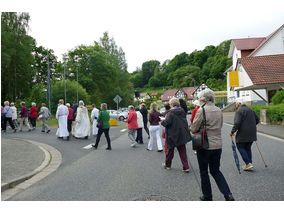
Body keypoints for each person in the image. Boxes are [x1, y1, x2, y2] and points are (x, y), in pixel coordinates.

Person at [190, 89, 234, 201]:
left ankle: (207, 196)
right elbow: (220, 125)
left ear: (203, 99)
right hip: (217, 144)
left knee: (204, 172)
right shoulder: (219, 110)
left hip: (204, 145)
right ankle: (228, 194)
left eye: (199, 99)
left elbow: (194, 128)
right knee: (215, 170)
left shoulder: (201, 110)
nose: (198, 101)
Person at [160, 98, 191, 173]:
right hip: (182, 133)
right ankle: (186, 167)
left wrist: (162, 120)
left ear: (172, 104)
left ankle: (168, 165)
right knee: (182, 151)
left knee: (170, 151)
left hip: (172, 134)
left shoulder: (170, 113)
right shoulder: (182, 111)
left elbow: (167, 123)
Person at [230, 98, 260, 171]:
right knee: (247, 147)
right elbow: (258, 120)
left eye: (236, 104)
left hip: (243, 133)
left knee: (240, 146)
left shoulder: (239, 111)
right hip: (252, 132)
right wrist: (251, 125)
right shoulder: (251, 109)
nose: (235, 105)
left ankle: (248, 163)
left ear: (239, 104)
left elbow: (237, 123)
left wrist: (232, 132)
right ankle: (249, 163)